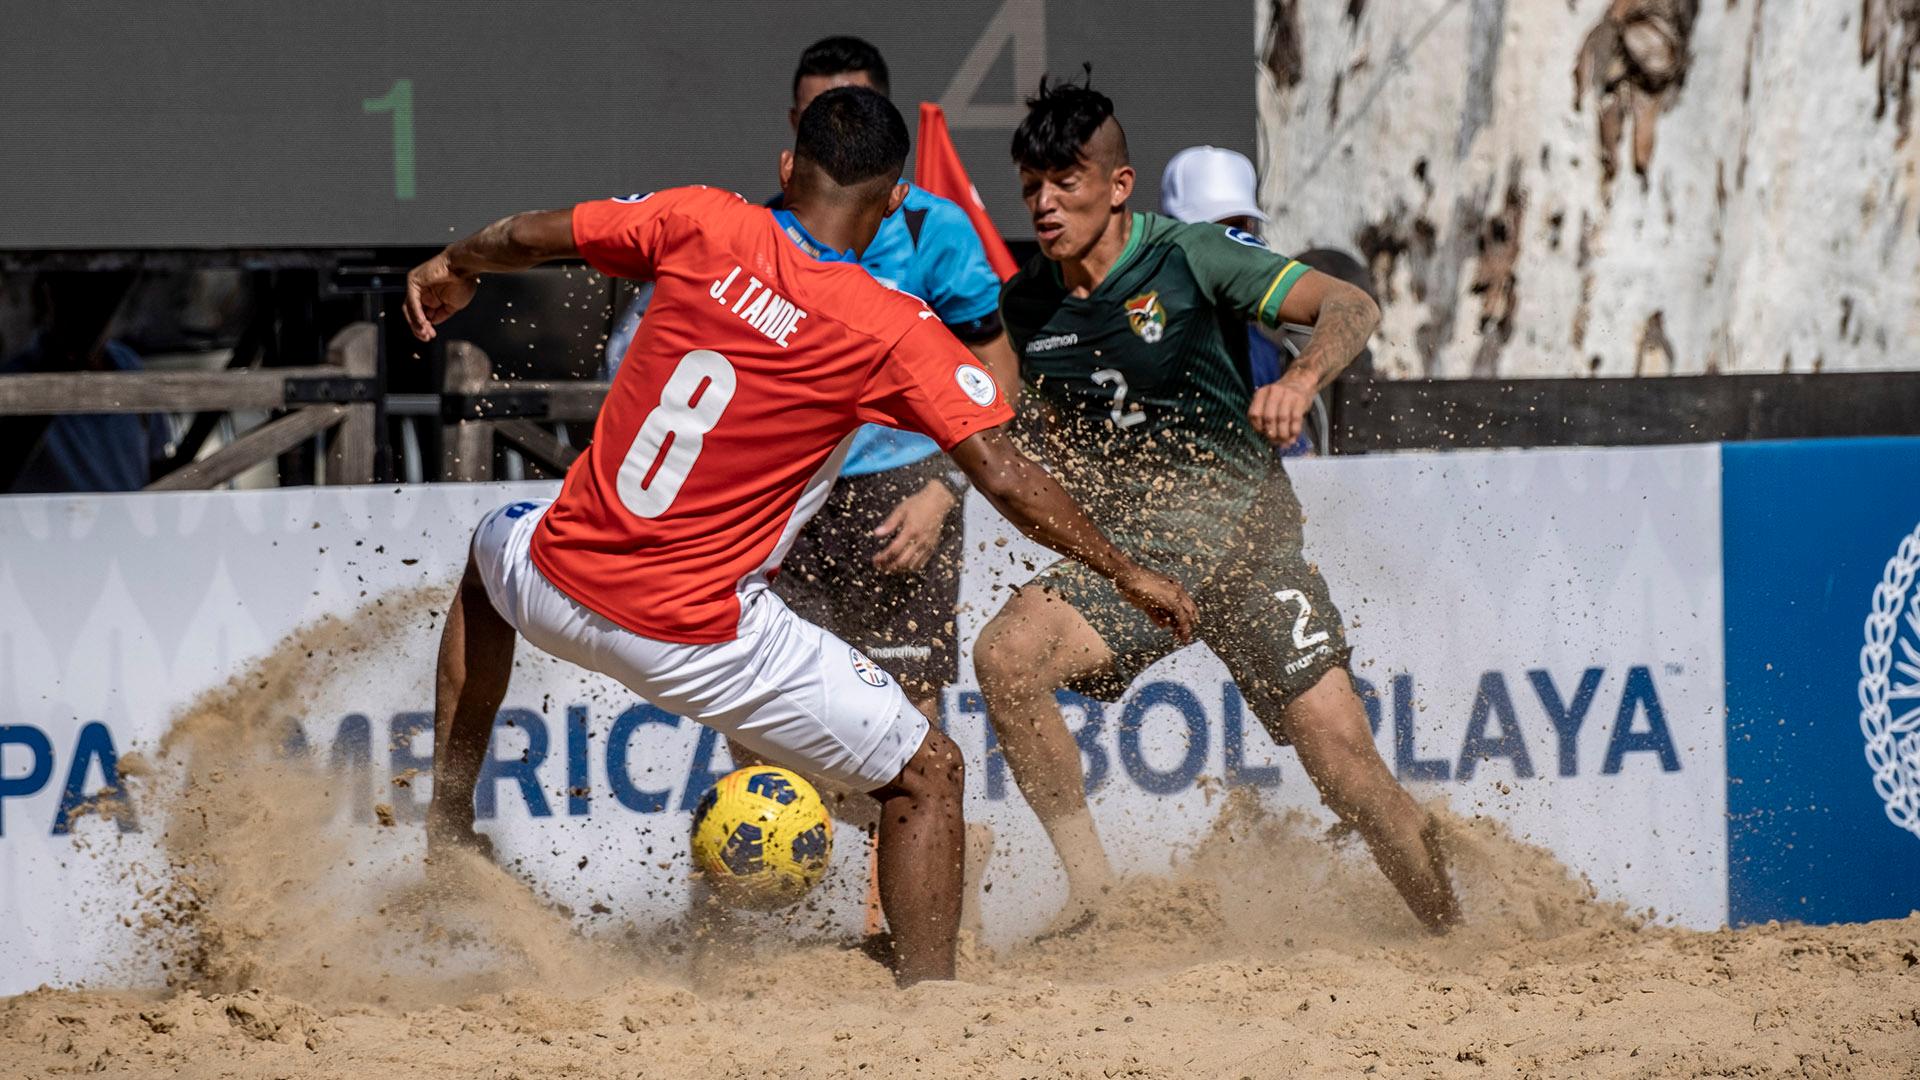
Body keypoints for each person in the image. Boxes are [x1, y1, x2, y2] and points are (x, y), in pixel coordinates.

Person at [407, 87, 1196, 985]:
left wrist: (454, 261)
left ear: (789, 168)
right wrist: (1123, 567)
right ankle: (930, 1004)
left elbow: (523, 237)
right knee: (928, 773)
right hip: (696, 635)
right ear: (896, 199)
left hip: (552, 583)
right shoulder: (889, 325)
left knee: (487, 543)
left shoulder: (700, 219)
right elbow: (1007, 476)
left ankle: (447, 823)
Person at [975, 79, 1461, 935]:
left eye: (1066, 182)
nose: (1045, 205)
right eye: (1031, 188)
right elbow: (1008, 439)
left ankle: (1456, 934)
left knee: (1352, 776)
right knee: (1006, 658)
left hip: (1247, 546)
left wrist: (1303, 377)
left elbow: (1354, 305)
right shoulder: (1027, 306)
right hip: (1134, 560)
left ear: (1119, 187)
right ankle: (1093, 895)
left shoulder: (1193, 256)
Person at [1, 272, 168, 493]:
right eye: (72, 294)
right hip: (53, 524)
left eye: (99, 295)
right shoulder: (17, 380)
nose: (85, 310)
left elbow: (158, 460)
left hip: (128, 524)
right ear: (49, 296)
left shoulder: (129, 365)